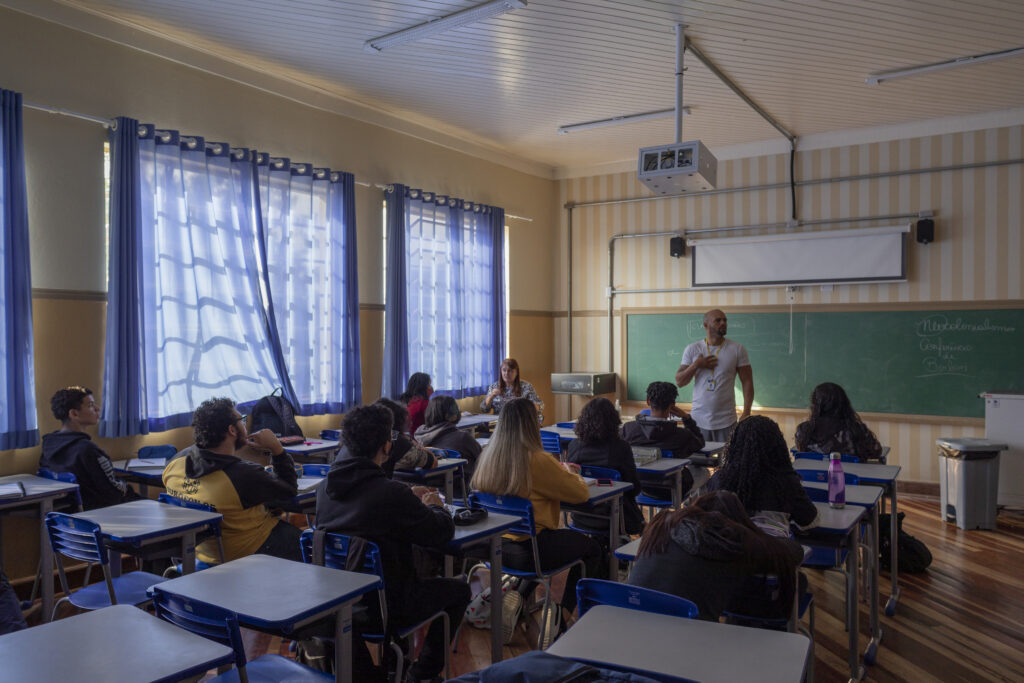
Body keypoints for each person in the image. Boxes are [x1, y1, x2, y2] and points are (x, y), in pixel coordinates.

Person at [316, 403, 469, 683]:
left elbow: (368, 504)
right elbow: (441, 532)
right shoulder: (389, 494)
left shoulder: (324, 490)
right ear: (386, 446)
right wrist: (435, 505)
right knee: (459, 590)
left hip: (340, 604)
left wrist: (408, 494)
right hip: (387, 608)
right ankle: (422, 674)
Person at [470, 398, 601, 645]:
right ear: (532, 424)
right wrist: (571, 473)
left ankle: (517, 600)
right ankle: (560, 621)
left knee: (545, 544)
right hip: (532, 551)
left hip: (495, 549)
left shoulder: (488, 456)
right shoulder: (536, 460)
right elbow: (580, 494)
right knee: (593, 549)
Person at [627, 490, 804, 621]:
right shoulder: (734, 541)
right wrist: (759, 534)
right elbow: (793, 552)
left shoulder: (662, 525)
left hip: (630, 622)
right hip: (686, 638)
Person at [162, 397, 301, 563]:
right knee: (311, 543)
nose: (244, 424)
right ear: (232, 430)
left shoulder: (174, 462)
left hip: (197, 552)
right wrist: (277, 449)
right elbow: (289, 491)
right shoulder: (242, 475)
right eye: (241, 420)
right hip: (244, 552)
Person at [710, 415, 818, 535]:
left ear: (735, 445)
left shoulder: (718, 480)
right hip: (772, 551)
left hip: (729, 550)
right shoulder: (786, 483)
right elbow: (810, 521)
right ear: (777, 445)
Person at [40, 386, 142, 510]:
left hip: (69, 515)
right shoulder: (87, 450)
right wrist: (127, 488)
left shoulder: (49, 444)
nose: (97, 409)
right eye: (90, 405)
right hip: (102, 511)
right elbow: (114, 492)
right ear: (74, 414)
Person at [564, 397, 644, 536]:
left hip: (581, 515)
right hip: (616, 517)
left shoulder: (574, 446)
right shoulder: (621, 447)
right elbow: (634, 488)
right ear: (613, 421)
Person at [675, 309, 754, 442]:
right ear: (706, 325)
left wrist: (746, 412)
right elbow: (680, 381)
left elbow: (747, 381)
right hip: (698, 420)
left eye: (725, 320)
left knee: (729, 461)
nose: (723, 323)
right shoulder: (693, 349)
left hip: (727, 420)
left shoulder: (737, 349)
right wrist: (696, 365)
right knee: (697, 461)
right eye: (718, 320)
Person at [621, 381, 707, 502]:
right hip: (670, 489)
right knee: (704, 472)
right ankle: (693, 513)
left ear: (648, 402)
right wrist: (686, 418)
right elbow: (699, 443)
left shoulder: (628, 429)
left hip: (640, 486)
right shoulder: (681, 435)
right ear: (672, 405)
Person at [795, 382, 884, 462]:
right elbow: (876, 452)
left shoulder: (804, 431)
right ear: (844, 404)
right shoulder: (855, 430)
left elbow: (802, 454)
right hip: (849, 479)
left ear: (815, 404)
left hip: (812, 479)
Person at [414, 394, 483, 493]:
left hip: (434, 490)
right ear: (450, 415)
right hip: (464, 489)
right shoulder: (463, 438)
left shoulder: (420, 437)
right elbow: (482, 460)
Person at [375, 398, 436, 477]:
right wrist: (406, 439)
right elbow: (432, 462)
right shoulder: (396, 440)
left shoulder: (361, 435)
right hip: (382, 487)